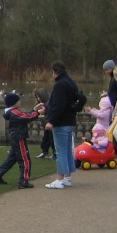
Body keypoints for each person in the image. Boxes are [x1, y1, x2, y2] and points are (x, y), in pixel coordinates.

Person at [0, 93, 43, 189]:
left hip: (16, 138)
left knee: (11, 159)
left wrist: (35, 110)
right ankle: (23, 181)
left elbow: (25, 115)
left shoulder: (11, 112)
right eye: (18, 100)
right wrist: (38, 113)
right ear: (14, 103)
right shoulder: (14, 112)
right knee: (25, 160)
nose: (20, 102)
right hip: (19, 138)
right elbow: (26, 117)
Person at [43, 61, 79, 189]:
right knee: (68, 150)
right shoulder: (71, 83)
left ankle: (60, 179)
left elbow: (59, 105)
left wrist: (51, 121)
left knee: (61, 152)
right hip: (70, 120)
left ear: (54, 72)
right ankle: (68, 177)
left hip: (61, 122)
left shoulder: (60, 85)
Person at [34, 88, 55, 159]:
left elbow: (50, 115)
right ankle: (44, 152)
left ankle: (54, 153)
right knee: (46, 139)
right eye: (37, 97)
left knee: (51, 139)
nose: (38, 99)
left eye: (39, 97)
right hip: (46, 124)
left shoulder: (49, 104)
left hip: (50, 124)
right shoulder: (43, 104)